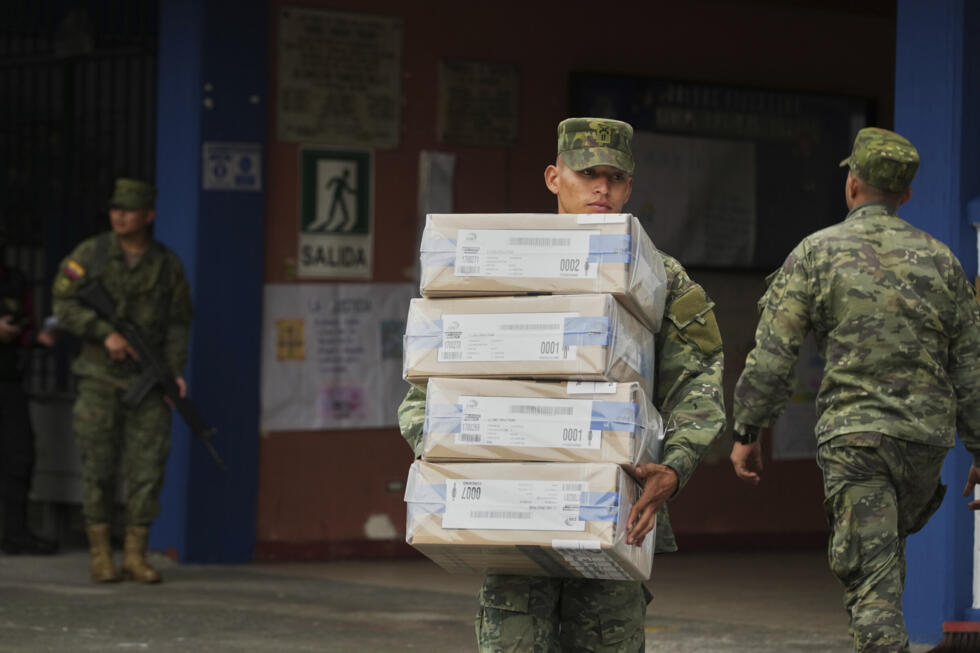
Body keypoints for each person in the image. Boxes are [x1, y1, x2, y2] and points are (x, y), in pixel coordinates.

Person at [398, 117, 726, 651]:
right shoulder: (498, 265)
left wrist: (676, 464)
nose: (602, 188)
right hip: (512, 513)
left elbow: (702, 379)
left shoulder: (655, 276)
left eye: (616, 178)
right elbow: (428, 389)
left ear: (629, 188)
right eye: (587, 173)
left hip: (615, 512)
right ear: (554, 177)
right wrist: (450, 452)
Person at [730, 127, 980, 653]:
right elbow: (971, 364)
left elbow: (775, 350)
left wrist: (748, 430)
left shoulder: (817, 253)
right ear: (906, 194)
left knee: (873, 586)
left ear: (852, 184)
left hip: (857, 438)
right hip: (924, 444)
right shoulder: (943, 261)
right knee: (883, 562)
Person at [52, 178, 193, 583]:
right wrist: (102, 331)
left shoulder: (167, 266)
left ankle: (135, 552)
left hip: (146, 380)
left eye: (129, 209)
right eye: (116, 208)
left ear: (149, 215)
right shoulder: (91, 255)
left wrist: (173, 372)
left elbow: (179, 323)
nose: (120, 215)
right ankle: (100, 553)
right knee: (98, 465)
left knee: (147, 466)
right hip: (98, 376)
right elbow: (62, 303)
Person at [0, 248, 58, 555]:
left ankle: (15, 533)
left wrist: (36, 337)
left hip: (8, 380)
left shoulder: (13, 279)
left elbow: (25, 323)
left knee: (19, 457)